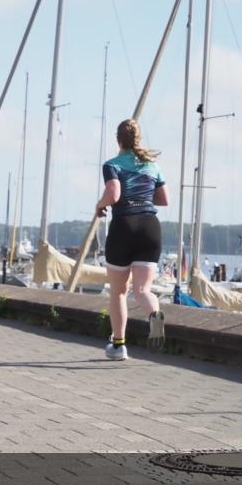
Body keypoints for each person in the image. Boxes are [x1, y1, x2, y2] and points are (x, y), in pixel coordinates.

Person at [95, 119, 168, 360]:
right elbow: (163, 199)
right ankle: (154, 315)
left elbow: (113, 193)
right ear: (138, 139)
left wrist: (100, 205)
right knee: (142, 289)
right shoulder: (152, 166)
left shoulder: (112, 165)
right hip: (150, 227)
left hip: (124, 226)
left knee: (118, 291)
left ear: (118, 140)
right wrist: (142, 195)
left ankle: (118, 345)